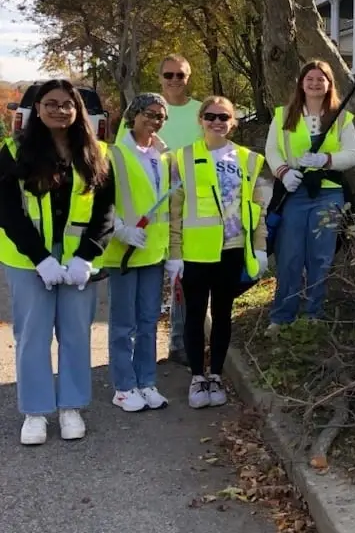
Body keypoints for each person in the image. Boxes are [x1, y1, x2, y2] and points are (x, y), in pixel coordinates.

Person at [0, 79, 114, 445]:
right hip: (28, 260)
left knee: (76, 334)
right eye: (51, 103)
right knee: (32, 336)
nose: (59, 110)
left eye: (67, 104)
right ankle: (35, 413)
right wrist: (40, 258)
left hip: (77, 264)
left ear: (78, 110)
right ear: (37, 109)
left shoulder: (97, 153)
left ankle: (71, 407)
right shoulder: (13, 151)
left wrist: (86, 256)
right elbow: (8, 211)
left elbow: (105, 212)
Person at [168, 96, 268, 408]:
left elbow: (258, 208)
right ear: (200, 120)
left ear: (233, 121)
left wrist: (261, 247)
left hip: (233, 249)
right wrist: (174, 253)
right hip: (196, 252)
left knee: (223, 315)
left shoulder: (250, 160)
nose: (217, 122)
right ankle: (198, 377)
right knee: (195, 315)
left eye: (223, 116)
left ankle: (216, 375)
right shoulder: (181, 158)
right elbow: (174, 210)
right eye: (210, 116)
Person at [118, 54, 203, 367]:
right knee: (145, 293)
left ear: (188, 77)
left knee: (181, 276)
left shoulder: (199, 112)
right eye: (169, 75)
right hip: (147, 213)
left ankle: (178, 343)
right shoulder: (142, 111)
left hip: (189, 206)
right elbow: (123, 159)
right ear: (160, 77)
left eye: (180, 75)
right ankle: (134, 357)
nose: (174, 81)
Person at [264, 60, 355, 335]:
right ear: (301, 83)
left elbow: (352, 155)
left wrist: (325, 159)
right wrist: (283, 172)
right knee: (290, 255)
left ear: (330, 84)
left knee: (321, 256)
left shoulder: (341, 118)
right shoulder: (283, 115)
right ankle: (282, 316)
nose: (315, 83)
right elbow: (272, 150)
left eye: (321, 79)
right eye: (310, 79)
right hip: (294, 191)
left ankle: (314, 314)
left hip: (328, 192)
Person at [104, 93, 172, 413]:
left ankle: (146, 382)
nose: (155, 121)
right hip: (125, 252)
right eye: (149, 114)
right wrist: (122, 230)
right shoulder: (114, 154)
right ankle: (123, 386)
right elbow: (100, 202)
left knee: (148, 322)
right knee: (123, 325)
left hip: (153, 252)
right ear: (134, 115)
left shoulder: (161, 155)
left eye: (161, 116)